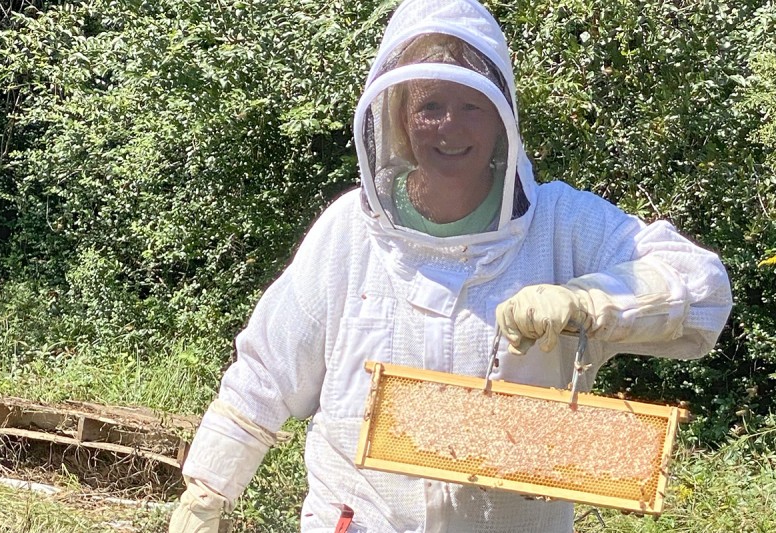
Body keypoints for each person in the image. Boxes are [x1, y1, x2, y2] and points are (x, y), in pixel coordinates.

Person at [169, 0, 733, 531]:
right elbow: (266, 374)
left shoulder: (561, 224)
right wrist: (205, 494)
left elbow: (702, 289)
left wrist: (592, 302)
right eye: (430, 106)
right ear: (399, 119)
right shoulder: (352, 231)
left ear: (500, 119)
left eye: (471, 106)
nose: (451, 127)